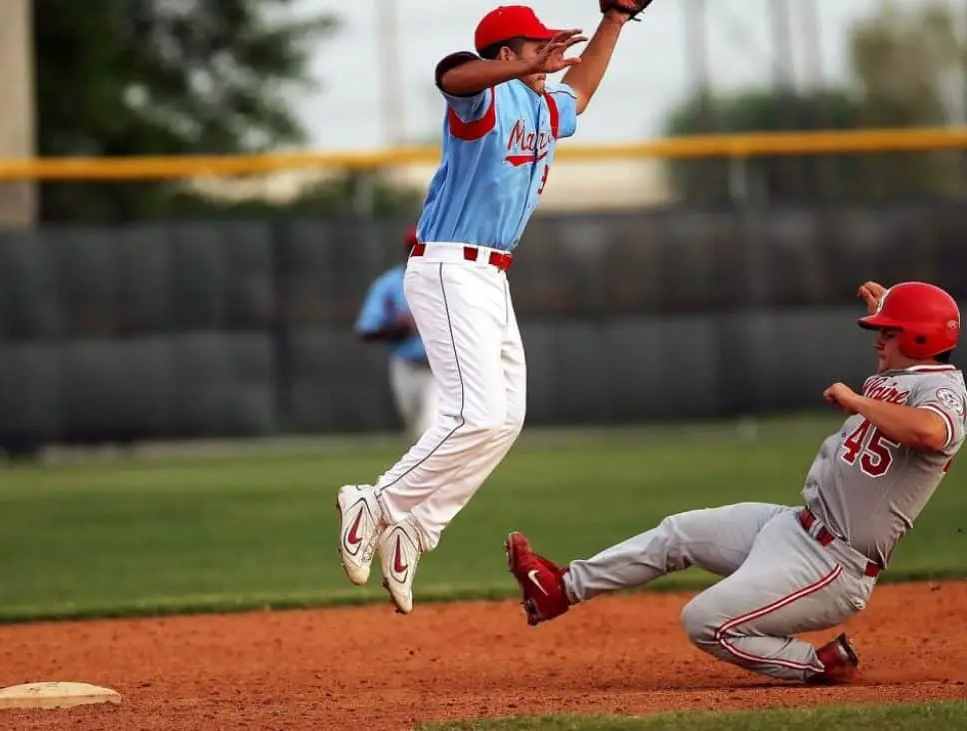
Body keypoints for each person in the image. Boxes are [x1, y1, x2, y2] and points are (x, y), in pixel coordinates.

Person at [336, 1, 655, 614]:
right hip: (449, 264)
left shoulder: (541, 105)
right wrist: (509, 70)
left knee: (506, 418)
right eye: (532, 46)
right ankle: (373, 502)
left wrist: (614, 20)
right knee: (474, 413)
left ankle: (415, 528)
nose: (548, 54)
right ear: (505, 54)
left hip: (491, 275)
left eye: (546, 45)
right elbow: (450, 74)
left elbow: (581, 91)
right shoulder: (483, 99)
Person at [506, 280, 964, 685]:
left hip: (834, 563)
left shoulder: (944, 392)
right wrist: (893, 304)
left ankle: (817, 664)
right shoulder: (908, 373)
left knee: (704, 621)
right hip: (794, 526)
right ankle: (559, 590)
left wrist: (854, 400)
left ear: (920, 337)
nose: (877, 339)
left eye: (889, 331)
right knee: (678, 533)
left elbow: (930, 432)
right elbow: (910, 367)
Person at [354, 226, 438, 439]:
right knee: (414, 428)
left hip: (440, 369)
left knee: (431, 428)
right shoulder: (390, 284)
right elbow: (366, 331)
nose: (417, 253)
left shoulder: (445, 280)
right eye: (413, 248)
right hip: (406, 365)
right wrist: (399, 329)